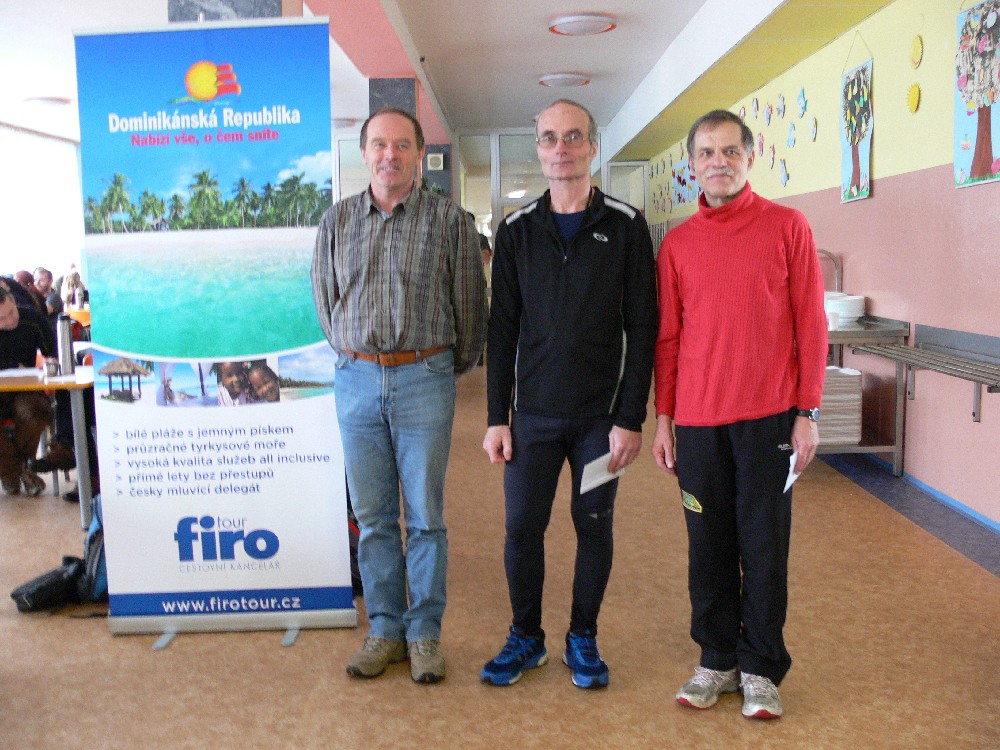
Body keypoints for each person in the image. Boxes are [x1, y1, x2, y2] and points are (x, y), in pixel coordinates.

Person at [651, 109, 827, 719]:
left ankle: (760, 667)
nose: (718, 162)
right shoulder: (677, 244)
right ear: (691, 165)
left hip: (769, 420)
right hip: (698, 423)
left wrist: (808, 411)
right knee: (708, 546)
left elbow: (811, 324)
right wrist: (664, 418)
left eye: (730, 150)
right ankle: (717, 658)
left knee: (764, 545)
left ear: (750, 157)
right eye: (706, 152)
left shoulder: (787, 227)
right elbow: (668, 340)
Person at [480, 99, 658, 689]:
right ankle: (525, 636)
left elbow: (644, 327)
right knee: (522, 529)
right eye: (550, 137)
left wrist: (630, 418)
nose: (562, 148)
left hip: (599, 422)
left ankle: (583, 635)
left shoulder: (626, 227)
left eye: (574, 137)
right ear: (538, 148)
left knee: (594, 525)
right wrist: (497, 416)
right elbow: (502, 329)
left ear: (593, 147)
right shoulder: (516, 231)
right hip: (531, 418)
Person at [311, 106, 487, 684]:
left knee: (426, 517)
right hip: (356, 381)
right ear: (364, 153)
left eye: (403, 145)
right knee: (373, 517)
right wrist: (356, 355)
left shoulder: (449, 220)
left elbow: (470, 309)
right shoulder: (336, 222)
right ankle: (385, 629)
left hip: (424, 380)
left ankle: (424, 632)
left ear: (419, 154)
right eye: (380, 144)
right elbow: (326, 304)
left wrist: (441, 368)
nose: (391, 155)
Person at [0, 285, 55, 496]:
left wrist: (50, 361)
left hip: (27, 389)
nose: (10, 320)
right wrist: (14, 364)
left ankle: (10, 472)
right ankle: (20, 470)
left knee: (37, 412)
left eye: (11, 312)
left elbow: (53, 352)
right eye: (2, 319)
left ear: (14, 301)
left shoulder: (33, 319)